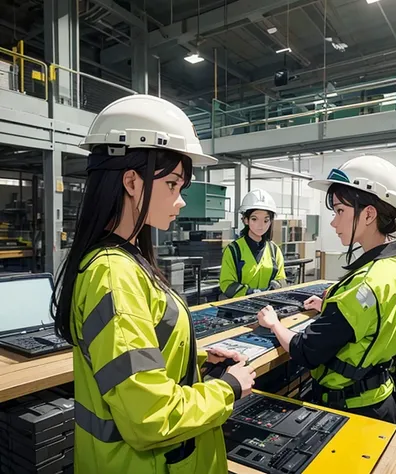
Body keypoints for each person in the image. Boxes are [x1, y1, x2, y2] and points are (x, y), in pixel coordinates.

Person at [51, 95, 256, 474]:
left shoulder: (128, 261)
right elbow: (150, 418)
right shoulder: (113, 275)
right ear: (131, 181)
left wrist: (196, 362)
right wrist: (227, 388)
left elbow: (138, 360)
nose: (179, 201)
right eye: (174, 184)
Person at [257, 155, 396, 424]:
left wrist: (274, 324)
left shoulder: (363, 285)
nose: (333, 222)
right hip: (385, 401)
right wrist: (334, 309)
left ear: (369, 214)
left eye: (340, 211)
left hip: (349, 410)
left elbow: (305, 350)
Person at [219, 189, 286, 298]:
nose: (261, 225)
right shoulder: (234, 250)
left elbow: (281, 279)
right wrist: (250, 293)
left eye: (266, 220)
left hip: (269, 306)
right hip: (240, 308)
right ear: (246, 220)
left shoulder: (274, 250)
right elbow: (227, 284)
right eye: (255, 219)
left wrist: (275, 287)